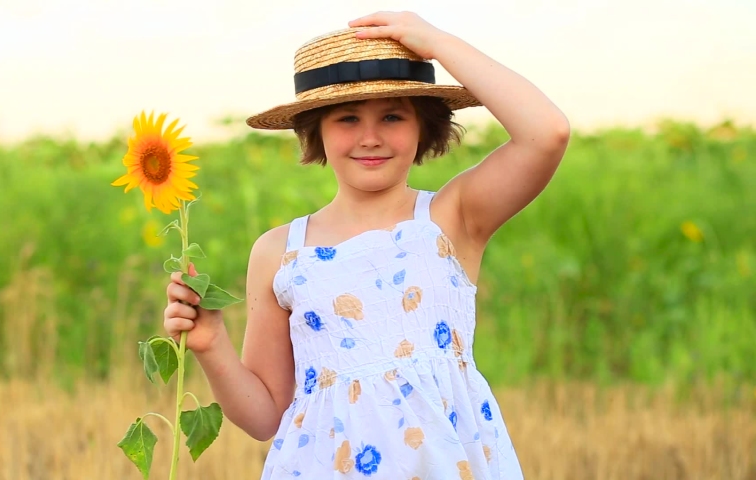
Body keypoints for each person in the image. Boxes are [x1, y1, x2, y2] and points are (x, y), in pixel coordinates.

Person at [164, 11, 569, 479]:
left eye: (393, 116)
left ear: (424, 126)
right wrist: (212, 344)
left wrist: (437, 43)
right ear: (316, 129)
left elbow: (547, 132)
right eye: (348, 118)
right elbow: (263, 416)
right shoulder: (280, 252)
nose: (370, 138)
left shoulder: (452, 218)